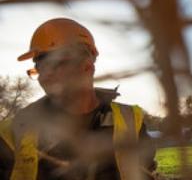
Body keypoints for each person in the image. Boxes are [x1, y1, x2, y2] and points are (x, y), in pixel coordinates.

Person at [0, 18, 156, 180]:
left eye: (53, 64)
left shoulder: (130, 122)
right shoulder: (11, 132)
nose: (43, 77)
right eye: (39, 68)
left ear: (87, 66)